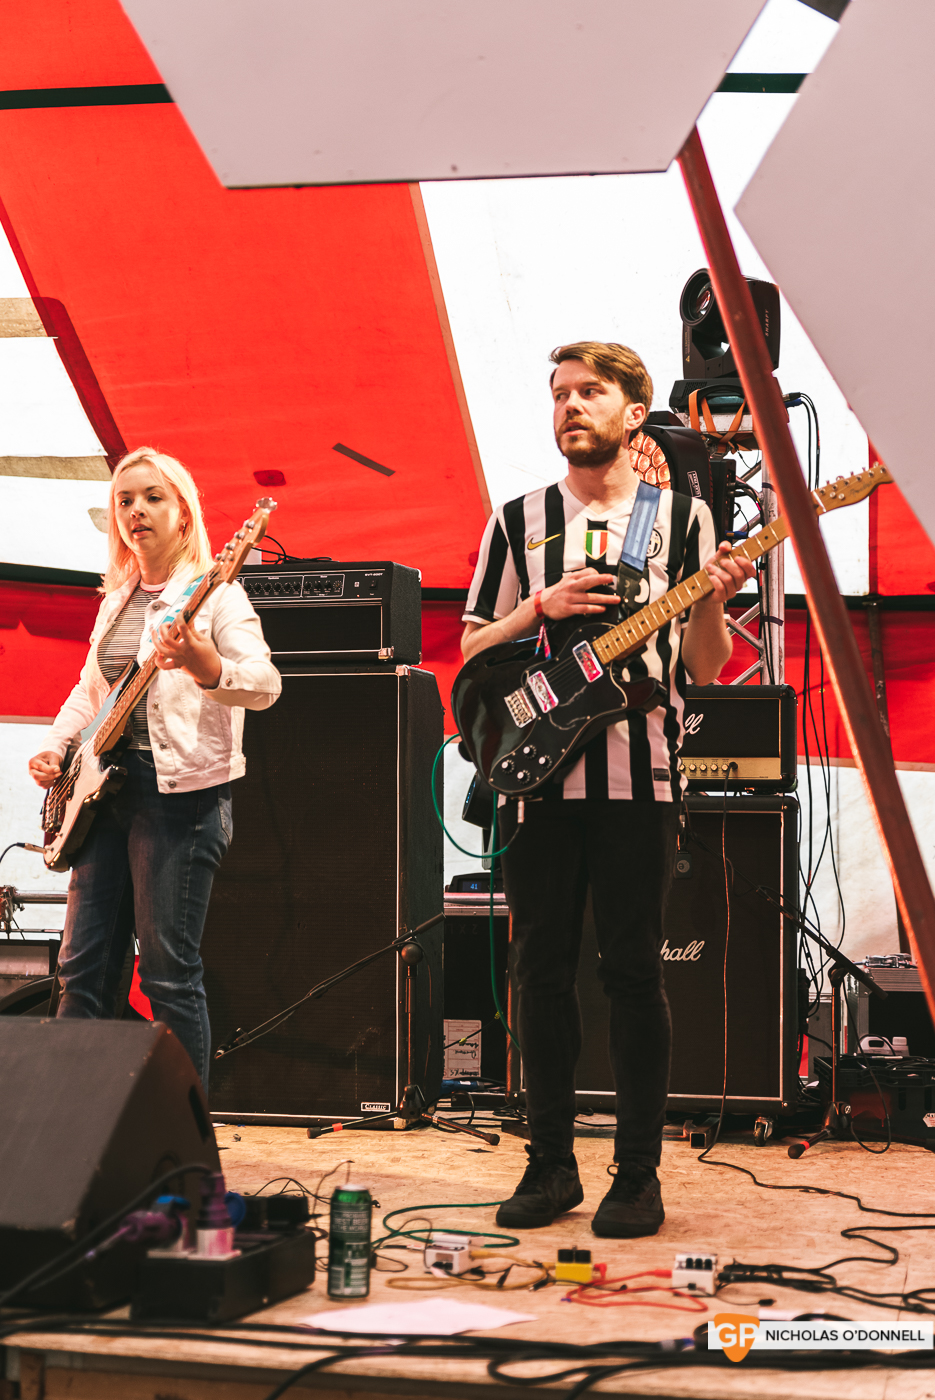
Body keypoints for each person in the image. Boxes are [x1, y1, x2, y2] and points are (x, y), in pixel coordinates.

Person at [461, 342, 754, 1237]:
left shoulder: (686, 519)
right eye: (558, 393)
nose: (569, 405)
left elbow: (702, 666)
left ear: (634, 413)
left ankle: (637, 1174)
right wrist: (533, 611)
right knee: (536, 970)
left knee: (632, 973)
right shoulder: (516, 519)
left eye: (589, 391)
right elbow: (472, 652)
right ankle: (549, 1165)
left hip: (641, 774)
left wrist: (712, 597)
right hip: (536, 781)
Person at [29, 447, 281, 1086]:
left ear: (183, 513)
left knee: (167, 973)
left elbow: (264, 683)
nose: (136, 510)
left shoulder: (216, 596)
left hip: (179, 800)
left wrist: (204, 665)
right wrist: (59, 747)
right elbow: (92, 688)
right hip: (100, 794)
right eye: (124, 500)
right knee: (81, 969)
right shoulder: (116, 599)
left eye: (152, 497)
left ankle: (184, 1141)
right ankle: (69, 1130)